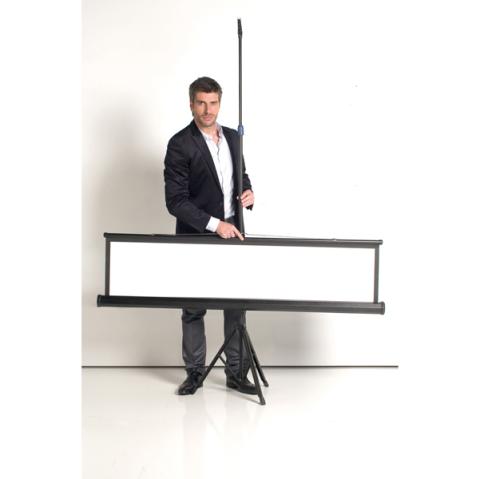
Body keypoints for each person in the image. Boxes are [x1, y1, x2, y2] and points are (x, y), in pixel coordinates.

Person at [164, 76, 256, 395]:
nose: (208, 110)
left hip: (235, 232)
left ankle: (236, 373)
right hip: (197, 235)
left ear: (219, 103)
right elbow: (175, 201)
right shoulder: (180, 144)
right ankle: (195, 374)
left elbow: (240, 176)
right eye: (201, 103)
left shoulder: (233, 137)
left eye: (213, 103)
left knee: (236, 305)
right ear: (191, 104)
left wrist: (248, 193)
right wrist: (216, 224)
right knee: (194, 307)